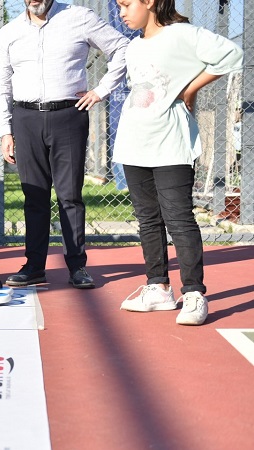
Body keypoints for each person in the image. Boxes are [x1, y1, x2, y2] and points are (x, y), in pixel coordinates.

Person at [113, 0, 243, 325]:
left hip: (170, 143)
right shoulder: (133, 48)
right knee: (148, 219)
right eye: (118, 6)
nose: (122, 12)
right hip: (134, 143)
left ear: (150, 2)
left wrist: (190, 88)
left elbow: (232, 55)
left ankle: (195, 293)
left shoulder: (182, 34)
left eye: (126, 4)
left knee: (179, 218)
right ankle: (157, 287)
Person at [0, 0, 129, 289]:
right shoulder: (9, 32)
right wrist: (5, 131)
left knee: (70, 196)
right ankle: (34, 267)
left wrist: (101, 90)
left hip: (69, 116)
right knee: (35, 196)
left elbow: (122, 48)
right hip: (25, 119)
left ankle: (77, 266)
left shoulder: (79, 17)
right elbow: (3, 83)